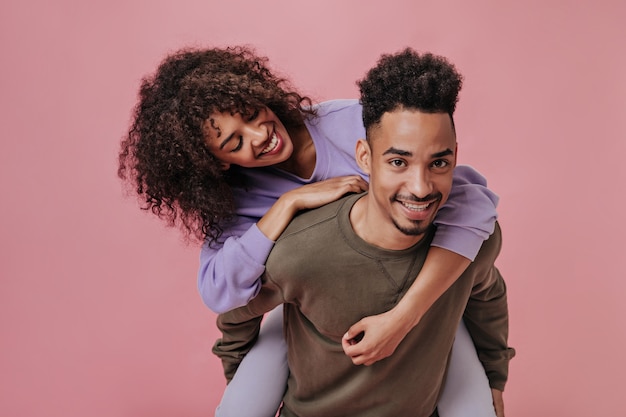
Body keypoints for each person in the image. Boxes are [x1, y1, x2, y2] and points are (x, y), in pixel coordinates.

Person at [118, 46, 500, 416]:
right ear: (215, 163)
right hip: (311, 310)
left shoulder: (346, 123)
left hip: (423, 296)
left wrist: (406, 315)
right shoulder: (238, 201)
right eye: (234, 142)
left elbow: (472, 203)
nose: (258, 136)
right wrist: (288, 204)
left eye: (253, 113)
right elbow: (220, 290)